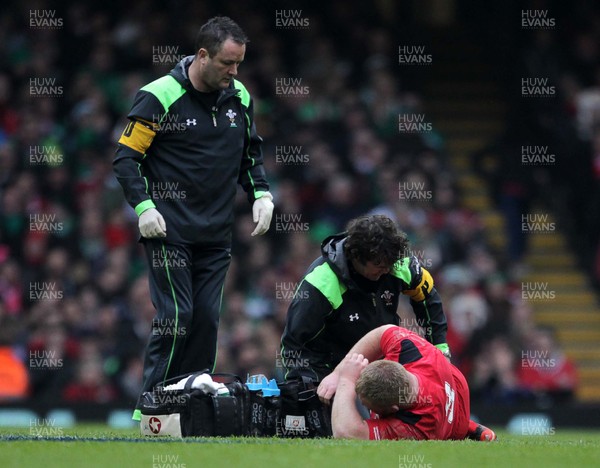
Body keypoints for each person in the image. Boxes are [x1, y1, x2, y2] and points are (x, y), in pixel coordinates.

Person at [113, 16, 273, 421]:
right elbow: (126, 158)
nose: (234, 73)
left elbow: (249, 155)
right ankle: (152, 410)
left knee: (205, 319)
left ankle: (191, 409)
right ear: (202, 56)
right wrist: (145, 207)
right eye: (227, 63)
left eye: (239, 64)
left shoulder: (240, 97)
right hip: (169, 230)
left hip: (216, 235)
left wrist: (261, 193)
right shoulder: (159, 96)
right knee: (176, 316)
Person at [280, 214, 450, 383]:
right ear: (356, 256)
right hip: (334, 374)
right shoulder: (321, 283)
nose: (385, 270)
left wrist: (440, 347)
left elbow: (428, 298)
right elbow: (294, 345)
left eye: (389, 265)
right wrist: (313, 388)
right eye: (379, 265)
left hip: (383, 367)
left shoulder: (397, 263)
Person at [324, 325, 496, 441]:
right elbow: (384, 331)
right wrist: (338, 372)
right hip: (454, 382)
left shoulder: (415, 426)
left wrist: (346, 381)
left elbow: (345, 432)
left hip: (453, 424)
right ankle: (473, 428)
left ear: (393, 410)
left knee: (454, 431)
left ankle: (467, 427)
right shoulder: (411, 350)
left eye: (367, 404)